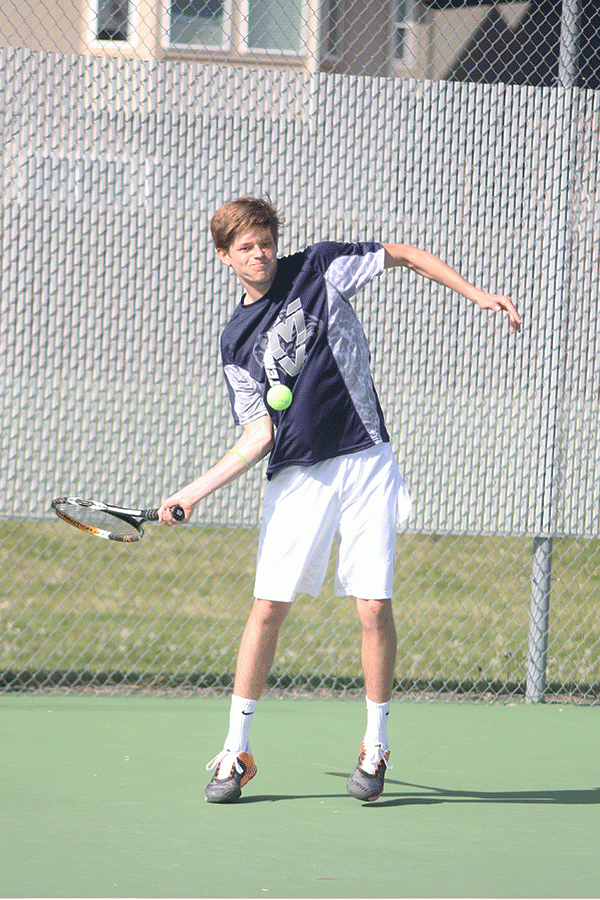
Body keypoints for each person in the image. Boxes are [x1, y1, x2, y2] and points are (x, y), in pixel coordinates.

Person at [159, 196, 522, 804]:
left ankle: (375, 744)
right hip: (298, 476)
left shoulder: (319, 268)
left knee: (373, 608)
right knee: (267, 609)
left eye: (266, 240)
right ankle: (235, 752)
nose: (260, 253)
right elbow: (259, 431)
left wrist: (476, 294)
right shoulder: (235, 341)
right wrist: (192, 492)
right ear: (223, 257)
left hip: (366, 457)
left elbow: (402, 254)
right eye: (245, 246)